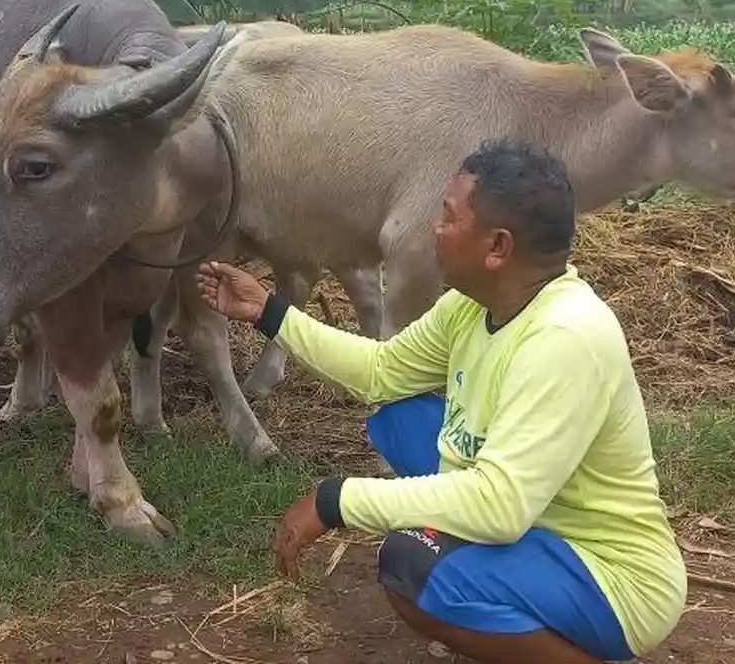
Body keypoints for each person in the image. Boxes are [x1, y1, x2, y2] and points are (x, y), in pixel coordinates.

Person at [195, 139, 687, 664]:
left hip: (612, 577)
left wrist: (337, 500)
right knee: (404, 418)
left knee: (412, 564)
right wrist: (270, 312)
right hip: (536, 522)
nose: (434, 227)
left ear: (497, 247)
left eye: (449, 216)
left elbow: (499, 506)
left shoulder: (565, 337)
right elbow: (381, 372)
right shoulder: (473, 305)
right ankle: (506, 587)